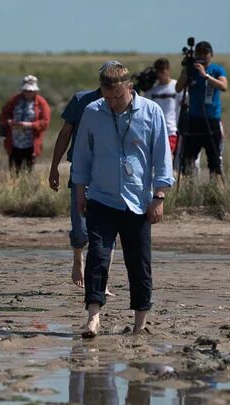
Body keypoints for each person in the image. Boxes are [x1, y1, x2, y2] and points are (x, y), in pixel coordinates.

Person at [71, 62, 173, 338]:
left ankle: (140, 323)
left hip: (138, 201)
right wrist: (80, 191)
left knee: (138, 262)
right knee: (98, 256)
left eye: (118, 96)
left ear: (129, 87)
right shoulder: (93, 113)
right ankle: (93, 316)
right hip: (101, 198)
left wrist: (159, 196)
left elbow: (162, 157)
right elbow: (81, 155)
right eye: (108, 97)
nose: (113, 103)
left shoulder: (151, 112)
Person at [48, 62, 120, 289]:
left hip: (110, 174)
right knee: (80, 226)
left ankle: (102, 281)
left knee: (108, 226)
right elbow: (64, 134)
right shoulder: (82, 100)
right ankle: (78, 256)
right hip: (82, 171)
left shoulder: (124, 102)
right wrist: (54, 167)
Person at [175, 40, 228, 183]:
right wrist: (187, 72)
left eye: (206, 53)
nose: (203, 56)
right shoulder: (191, 70)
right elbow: (178, 88)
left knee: (214, 160)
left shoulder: (217, 70)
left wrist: (206, 76)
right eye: (200, 53)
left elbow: (224, 86)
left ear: (212, 55)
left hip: (211, 119)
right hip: (194, 119)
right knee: (188, 158)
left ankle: (216, 189)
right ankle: (189, 188)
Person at [0, 75, 51, 174]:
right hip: (14, 143)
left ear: (35, 91)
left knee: (28, 171)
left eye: (31, 91)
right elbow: (4, 114)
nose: (28, 93)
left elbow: (45, 122)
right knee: (14, 171)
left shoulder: (41, 103)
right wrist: (9, 122)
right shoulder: (15, 100)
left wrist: (29, 125)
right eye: (26, 91)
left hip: (31, 145)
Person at [145, 58, 185, 162]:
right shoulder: (152, 90)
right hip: (156, 131)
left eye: (165, 69)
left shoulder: (176, 87)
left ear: (168, 70)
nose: (163, 73)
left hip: (171, 130)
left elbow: (185, 104)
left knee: (168, 158)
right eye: (160, 70)